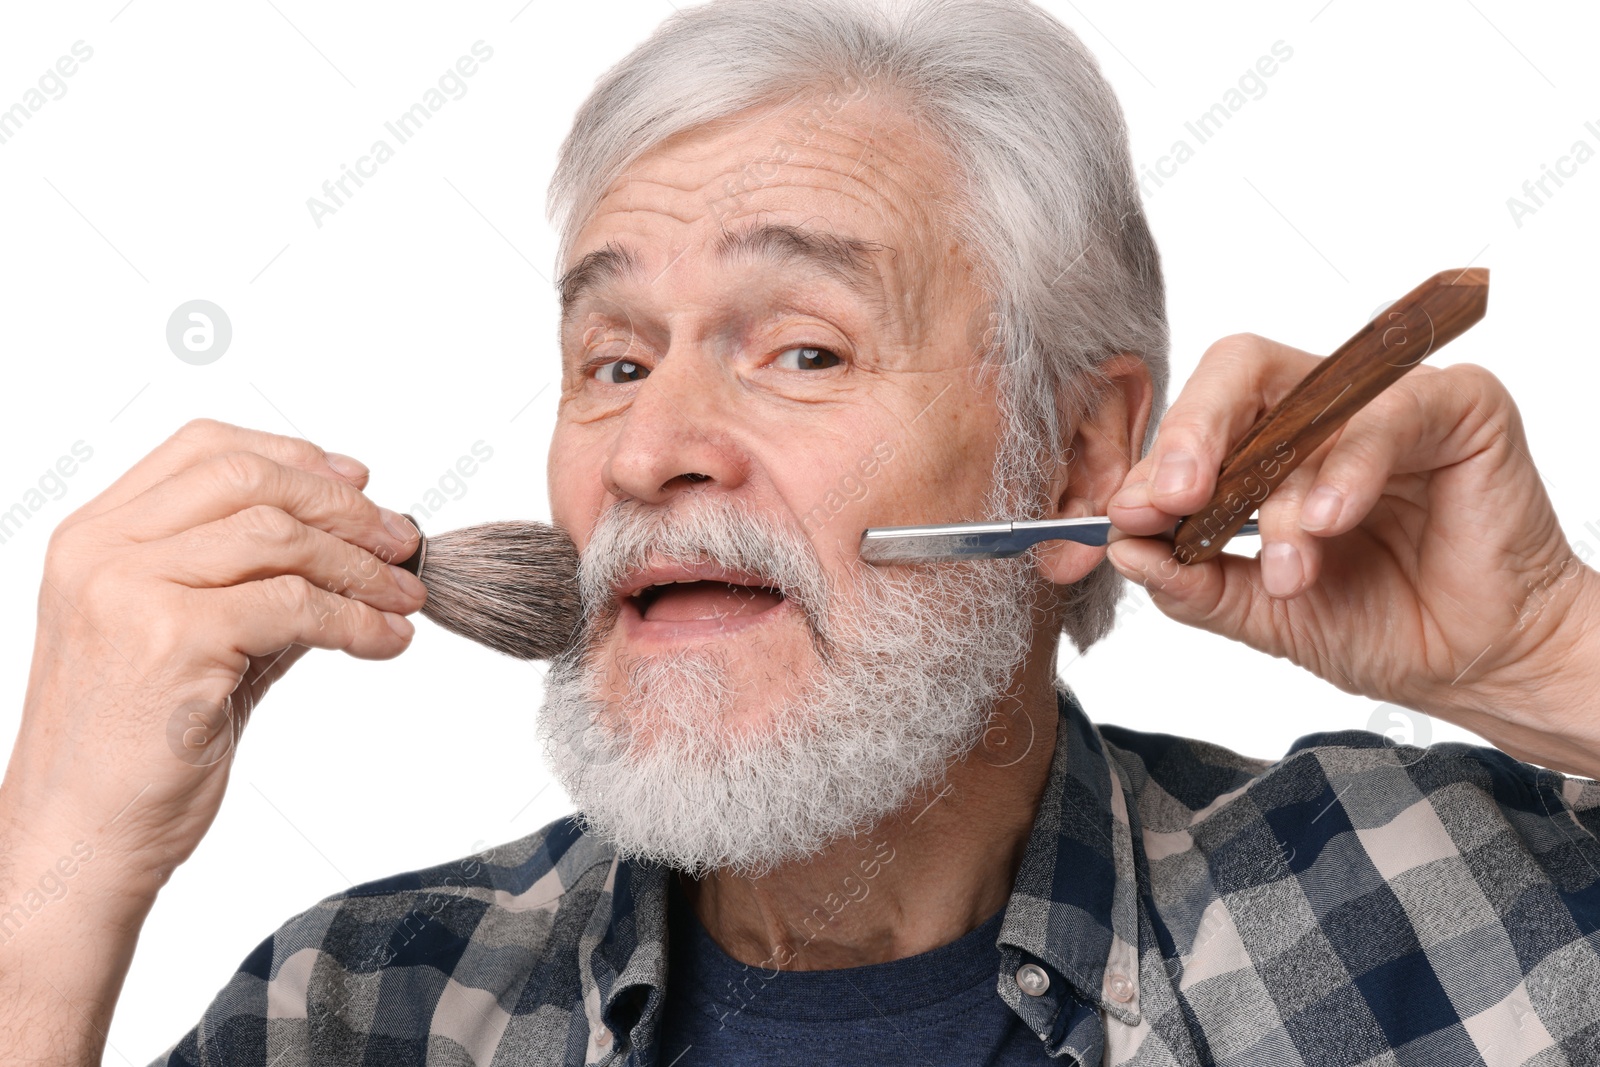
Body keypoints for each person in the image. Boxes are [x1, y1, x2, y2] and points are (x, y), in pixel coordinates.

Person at [5, 0, 1598, 1063]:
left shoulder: (1439, 900)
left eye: (805, 352)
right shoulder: (357, 1011)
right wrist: (60, 869)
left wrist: (1554, 654)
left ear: (1085, 449)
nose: (650, 450)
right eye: (612, 362)